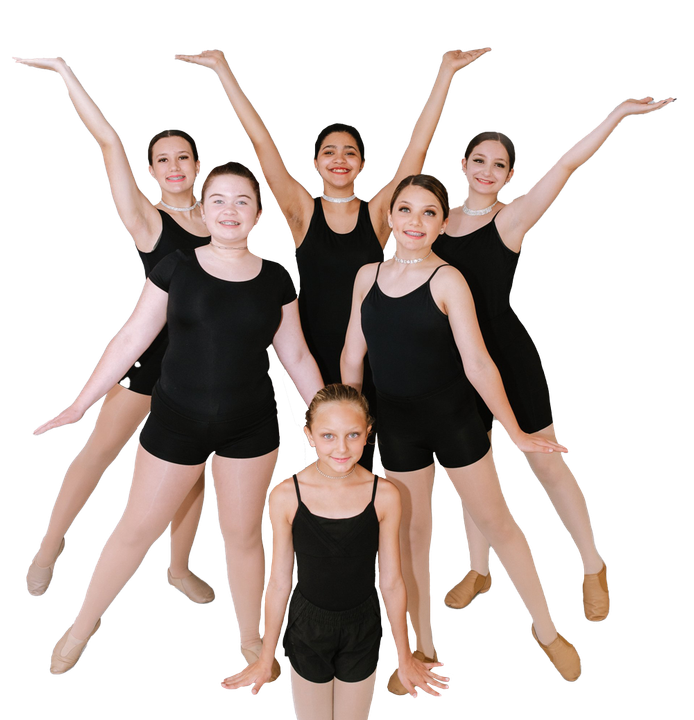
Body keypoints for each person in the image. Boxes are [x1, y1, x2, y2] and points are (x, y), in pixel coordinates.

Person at [32, 162, 324, 676]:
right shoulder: (177, 267)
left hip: (249, 428)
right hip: (175, 423)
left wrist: (328, 423)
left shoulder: (276, 279)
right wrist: (80, 404)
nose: (229, 210)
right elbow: (129, 339)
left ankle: (253, 641)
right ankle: (79, 629)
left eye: (242, 201)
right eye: (219, 200)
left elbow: (296, 357)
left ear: (258, 214)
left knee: (243, 537)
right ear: (203, 208)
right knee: (135, 529)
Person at [172, 46, 491, 470]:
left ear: (361, 164)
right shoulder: (303, 213)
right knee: (326, 454)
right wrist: (223, 71)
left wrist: (445, 73)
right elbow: (262, 143)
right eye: (329, 152)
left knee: (381, 456)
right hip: (314, 353)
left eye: (349, 152)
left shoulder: (379, 215)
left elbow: (418, 148)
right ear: (315, 163)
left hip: (376, 351)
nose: (339, 159)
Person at [430, 94, 675, 622]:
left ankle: (592, 564)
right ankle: (477, 567)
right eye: (479, 160)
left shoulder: (512, 219)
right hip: (452, 361)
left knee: (545, 460)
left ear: (511, 175)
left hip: (507, 355)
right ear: (462, 166)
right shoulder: (433, 220)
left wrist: (617, 115)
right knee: (471, 468)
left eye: (500, 165)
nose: (488, 170)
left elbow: (567, 163)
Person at [341, 174, 582, 683]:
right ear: (390, 216)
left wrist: (514, 431)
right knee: (411, 535)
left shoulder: (449, 279)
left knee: (498, 524)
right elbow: (352, 354)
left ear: (443, 222)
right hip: (397, 429)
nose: (414, 221)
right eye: (405, 210)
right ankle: (422, 650)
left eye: (429, 213)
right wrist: (349, 424)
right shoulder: (367, 276)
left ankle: (546, 630)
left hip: (454, 422)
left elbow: (478, 363)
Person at [13, 54, 215, 604]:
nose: (174, 167)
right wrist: (65, 72)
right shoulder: (148, 217)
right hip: (150, 362)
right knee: (98, 454)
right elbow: (108, 143)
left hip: (203, 371)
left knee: (191, 473)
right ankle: (50, 546)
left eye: (183, 158)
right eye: (162, 161)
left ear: (198, 165)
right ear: (151, 170)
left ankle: (177, 566)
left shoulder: (220, 216)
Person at [220, 384, 450, 717]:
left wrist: (405, 657)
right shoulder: (286, 495)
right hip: (307, 626)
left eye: (353, 435)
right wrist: (266, 656)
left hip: (363, 626)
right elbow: (279, 581)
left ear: (368, 433)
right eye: (328, 436)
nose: (341, 447)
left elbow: (392, 582)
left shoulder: (384, 495)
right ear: (309, 434)